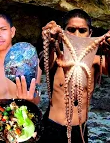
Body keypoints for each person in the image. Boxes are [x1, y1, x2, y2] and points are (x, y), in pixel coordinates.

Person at [38, 9, 110, 142]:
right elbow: (44, 62)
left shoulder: (95, 61)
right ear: (63, 32)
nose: (77, 35)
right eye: (71, 30)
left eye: (82, 30)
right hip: (52, 128)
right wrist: (50, 41)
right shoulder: (56, 58)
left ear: (90, 33)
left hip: (80, 130)